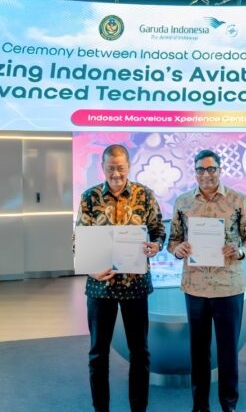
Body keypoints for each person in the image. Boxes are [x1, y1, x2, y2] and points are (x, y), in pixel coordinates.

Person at [168, 149, 246, 412]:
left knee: (228, 352)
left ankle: (229, 405)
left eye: (211, 169)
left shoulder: (238, 200)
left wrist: (239, 251)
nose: (206, 174)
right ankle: (199, 406)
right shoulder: (183, 202)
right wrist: (178, 249)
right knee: (198, 352)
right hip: (195, 287)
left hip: (228, 287)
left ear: (220, 170)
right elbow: (173, 241)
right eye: (201, 169)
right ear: (195, 172)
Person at [76, 144, 165, 412]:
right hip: (100, 286)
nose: (116, 174)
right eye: (110, 168)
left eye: (121, 168)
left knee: (140, 353)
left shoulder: (144, 195)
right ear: (102, 167)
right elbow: (79, 240)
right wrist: (90, 269)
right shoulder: (90, 197)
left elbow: (158, 230)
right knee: (97, 354)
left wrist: (156, 245)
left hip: (135, 284)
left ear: (129, 166)